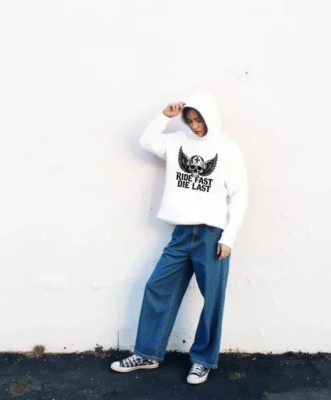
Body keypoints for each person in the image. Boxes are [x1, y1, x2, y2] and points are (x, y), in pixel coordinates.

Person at [111, 90, 248, 384]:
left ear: (210, 117)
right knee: (157, 287)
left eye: (200, 119)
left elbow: (239, 194)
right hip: (182, 233)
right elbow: (147, 141)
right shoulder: (176, 142)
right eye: (191, 120)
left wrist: (229, 237)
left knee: (212, 299)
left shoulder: (227, 148)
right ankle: (147, 353)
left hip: (212, 234)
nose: (195, 125)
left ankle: (202, 360)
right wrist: (165, 116)